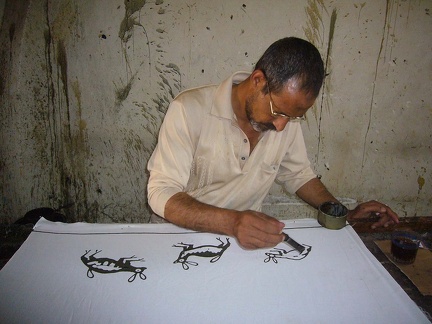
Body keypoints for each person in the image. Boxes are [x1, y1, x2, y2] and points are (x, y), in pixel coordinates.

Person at [147, 37, 399, 250]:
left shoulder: (285, 119)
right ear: (258, 81)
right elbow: (161, 193)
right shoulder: (189, 109)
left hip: (243, 246)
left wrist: (341, 213)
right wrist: (232, 222)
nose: (281, 126)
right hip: (179, 241)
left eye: (292, 117)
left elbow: (298, 175)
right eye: (277, 111)